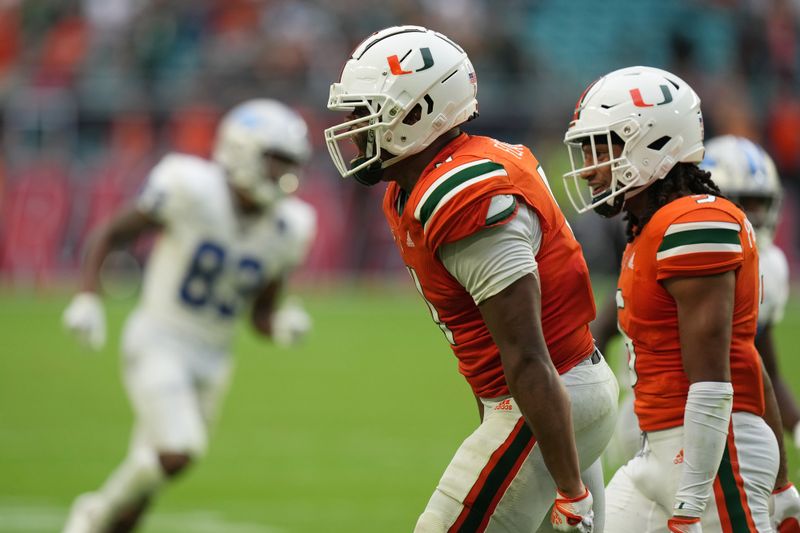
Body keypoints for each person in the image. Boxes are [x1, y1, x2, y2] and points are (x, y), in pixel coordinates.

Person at [325, 25, 618, 533]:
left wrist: (572, 490)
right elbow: (488, 345)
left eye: (364, 111)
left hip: (548, 396)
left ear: (416, 113)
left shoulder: (464, 193)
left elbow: (527, 353)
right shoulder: (418, 185)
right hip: (551, 395)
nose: (353, 128)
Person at [61, 99, 317, 533]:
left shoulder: (290, 226)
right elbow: (113, 232)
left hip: (214, 359)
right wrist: (88, 296)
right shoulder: (190, 186)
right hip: (159, 339)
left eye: (288, 164)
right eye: (274, 161)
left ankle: (107, 518)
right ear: (241, 151)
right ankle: (92, 513)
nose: (280, 175)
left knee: (148, 485)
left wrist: (280, 324)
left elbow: (260, 313)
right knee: (178, 451)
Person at [562, 65, 796, 532]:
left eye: (602, 147)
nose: (589, 168)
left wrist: (691, 502)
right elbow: (746, 356)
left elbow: (715, 381)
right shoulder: (652, 228)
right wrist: (784, 484)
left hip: (715, 456)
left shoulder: (694, 224)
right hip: (660, 451)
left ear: (651, 143)